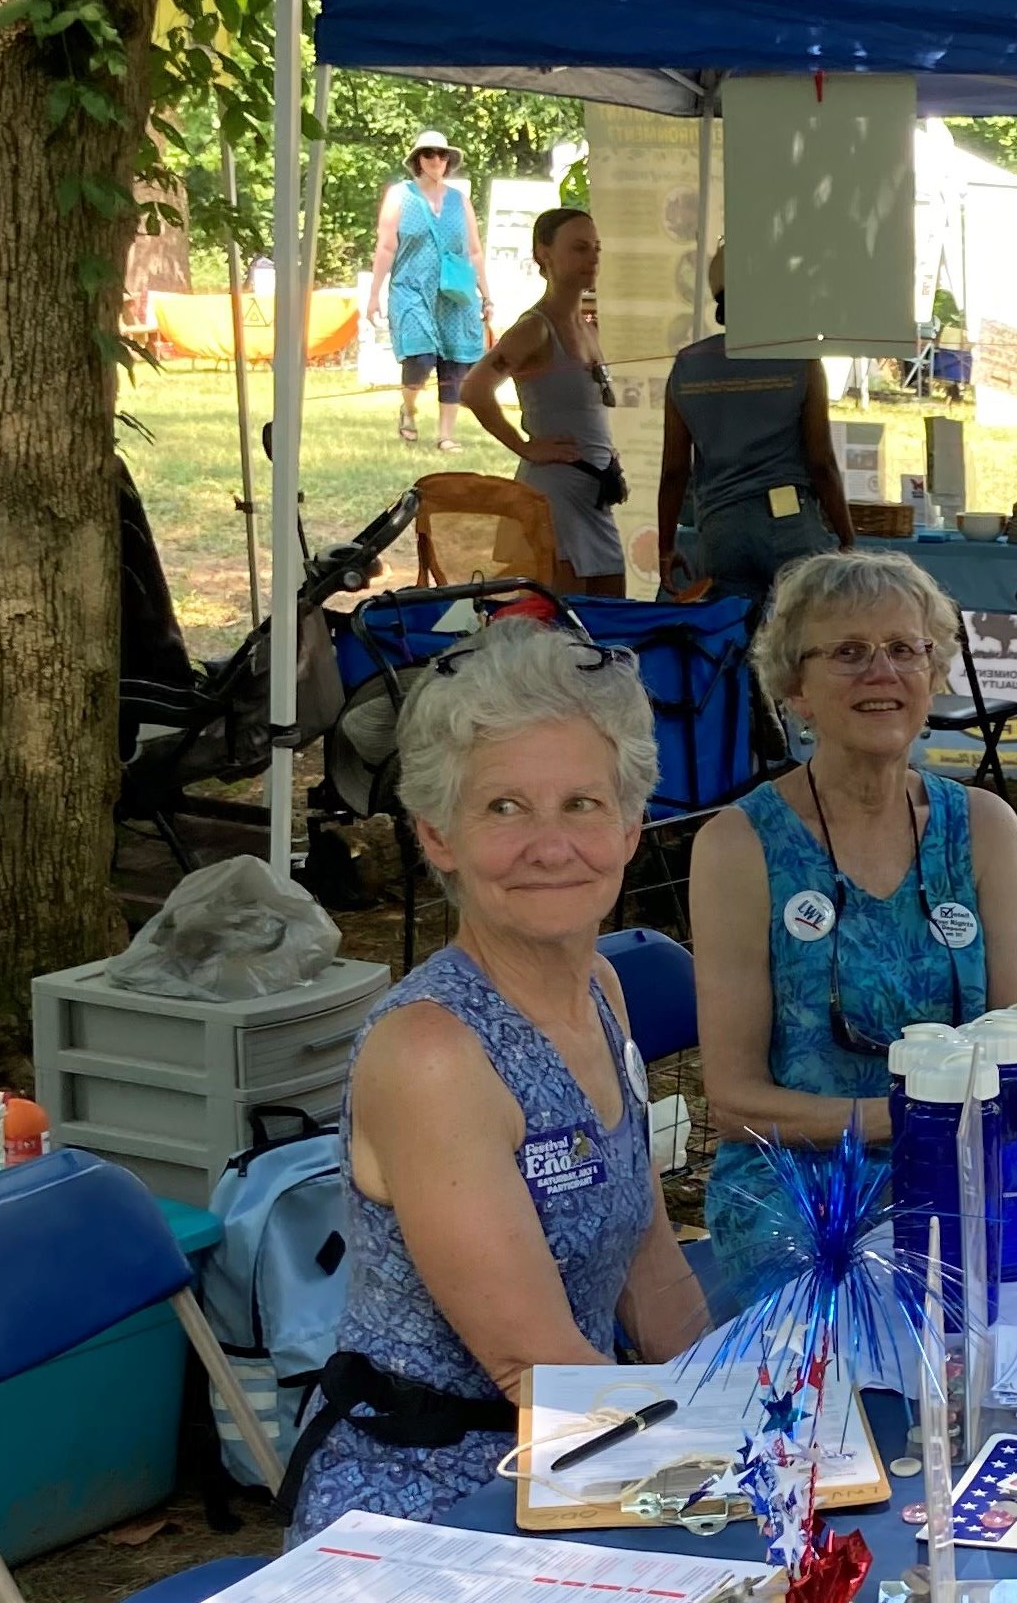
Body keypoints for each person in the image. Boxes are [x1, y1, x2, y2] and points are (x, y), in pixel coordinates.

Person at [287, 618, 707, 1536]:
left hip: (580, 1456)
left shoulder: (600, 989)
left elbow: (649, 1260)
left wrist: (750, 1415)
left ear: (632, 825)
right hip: (437, 1508)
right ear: (437, 835)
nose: (551, 847)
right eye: (504, 808)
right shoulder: (433, 1053)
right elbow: (538, 1371)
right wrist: (728, 1466)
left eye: (582, 805)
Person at [690, 548, 1017, 1281]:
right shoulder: (739, 844)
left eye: (905, 650)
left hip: (965, 1170)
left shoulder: (982, 827)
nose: (882, 672)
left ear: (934, 672)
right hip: (801, 1193)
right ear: (795, 688)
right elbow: (733, 1101)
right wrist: (912, 1120)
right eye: (848, 652)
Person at [656, 244, 854, 598]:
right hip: (790, 523)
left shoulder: (688, 365)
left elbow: (674, 471)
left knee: (730, 638)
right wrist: (846, 537)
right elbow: (821, 463)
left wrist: (666, 547)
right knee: (798, 642)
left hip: (721, 529)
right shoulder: (800, 361)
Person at [460, 207, 628, 594]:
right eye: (580, 248)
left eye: (597, 249)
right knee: (564, 623)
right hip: (555, 496)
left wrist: (608, 460)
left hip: (593, 492)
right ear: (544, 254)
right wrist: (525, 446)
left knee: (611, 613)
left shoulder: (587, 327)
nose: (592, 259)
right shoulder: (535, 328)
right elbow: (474, 389)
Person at [369, 129, 489, 449]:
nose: (436, 160)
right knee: (420, 358)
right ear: (417, 160)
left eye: (441, 154)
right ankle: (408, 409)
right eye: (428, 154)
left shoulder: (459, 200)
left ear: (448, 160)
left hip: (454, 294)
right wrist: (373, 294)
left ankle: (446, 436)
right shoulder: (400, 195)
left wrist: (487, 296)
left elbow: (475, 251)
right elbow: (385, 246)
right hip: (410, 289)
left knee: (454, 362)